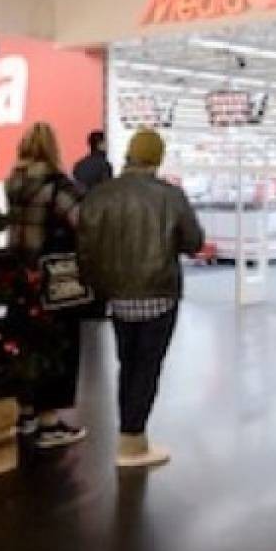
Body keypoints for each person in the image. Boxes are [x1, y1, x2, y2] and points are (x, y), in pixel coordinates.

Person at [78, 129, 204, 470]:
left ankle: (130, 435)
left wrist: (97, 287)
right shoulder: (171, 196)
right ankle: (132, 441)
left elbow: (86, 246)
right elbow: (193, 242)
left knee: (128, 364)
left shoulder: (101, 195)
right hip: (158, 293)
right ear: (157, 158)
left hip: (118, 296)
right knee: (147, 368)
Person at [6, 122, 88, 450]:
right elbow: (83, 221)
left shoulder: (14, 183)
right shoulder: (58, 186)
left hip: (19, 277)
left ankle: (25, 413)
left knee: (26, 342)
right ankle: (49, 422)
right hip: (54, 280)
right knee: (58, 346)